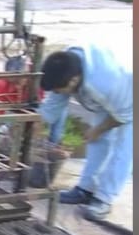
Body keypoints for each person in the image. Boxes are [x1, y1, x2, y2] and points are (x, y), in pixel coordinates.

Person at [38, 39, 133, 220]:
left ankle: (104, 199)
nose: (58, 93)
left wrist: (99, 129)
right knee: (98, 142)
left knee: (125, 150)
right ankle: (85, 190)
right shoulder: (65, 65)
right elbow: (52, 107)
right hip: (115, 96)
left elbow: (126, 114)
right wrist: (31, 126)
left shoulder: (105, 83)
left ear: (74, 80)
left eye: (60, 90)